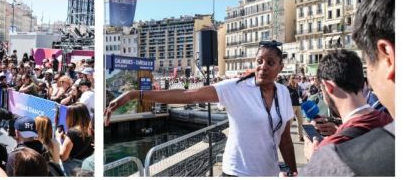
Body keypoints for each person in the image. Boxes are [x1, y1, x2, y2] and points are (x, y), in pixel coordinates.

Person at [106, 41, 297, 176]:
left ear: (280, 67)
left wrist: (292, 170)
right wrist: (134, 94)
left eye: (270, 63)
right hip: (237, 173)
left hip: (269, 172)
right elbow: (187, 95)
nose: (263, 67)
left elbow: (286, 139)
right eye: (259, 61)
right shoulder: (235, 88)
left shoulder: (283, 93)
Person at [301, 0, 395, 176]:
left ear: (328, 87)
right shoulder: (389, 121)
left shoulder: (328, 156)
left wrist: (315, 159)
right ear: (363, 82)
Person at [60, 103, 94, 175]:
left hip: (73, 170)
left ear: (72, 116)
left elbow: (63, 157)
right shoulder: (91, 130)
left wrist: (58, 139)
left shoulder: (72, 132)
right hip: (86, 169)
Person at [287, 76, 304, 141]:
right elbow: (286, 97)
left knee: (300, 121)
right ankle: (286, 137)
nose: (298, 79)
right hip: (291, 106)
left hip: (298, 105)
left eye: (298, 78)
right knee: (290, 122)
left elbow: (300, 95)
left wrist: (303, 96)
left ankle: (301, 136)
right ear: (292, 79)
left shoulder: (298, 86)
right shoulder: (288, 87)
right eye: (296, 78)